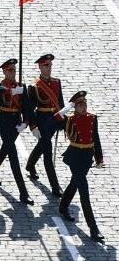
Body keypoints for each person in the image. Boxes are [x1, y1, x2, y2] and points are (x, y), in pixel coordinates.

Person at [47, 91, 105, 242]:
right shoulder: (69, 120)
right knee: (84, 191)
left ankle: (63, 206)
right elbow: (53, 120)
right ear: (75, 107)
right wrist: (68, 106)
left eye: (84, 103)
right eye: (80, 105)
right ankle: (94, 228)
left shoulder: (93, 118)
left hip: (87, 158)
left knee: (75, 182)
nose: (83, 107)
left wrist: (98, 158)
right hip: (75, 157)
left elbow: (96, 138)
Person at [0, 58, 34, 205]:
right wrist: (11, 91)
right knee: (13, 155)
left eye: (14, 70)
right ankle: (23, 193)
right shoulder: (0, 85)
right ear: (4, 71)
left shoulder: (21, 86)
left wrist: (26, 122)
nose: (12, 73)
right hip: (4, 122)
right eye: (9, 70)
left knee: (5, 149)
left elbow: (27, 107)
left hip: (16, 123)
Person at [26, 54, 64, 197]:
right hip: (42, 120)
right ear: (40, 67)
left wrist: (62, 119)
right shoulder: (34, 86)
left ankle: (30, 165)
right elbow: (30, 109)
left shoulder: (56, 82)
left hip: (53, 120)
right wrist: (33, 126)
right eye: (46, 65)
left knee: (42, 144)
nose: (49, 68)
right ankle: (55, 186)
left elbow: (61, 103)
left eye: (50, 65)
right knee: (47, 152)